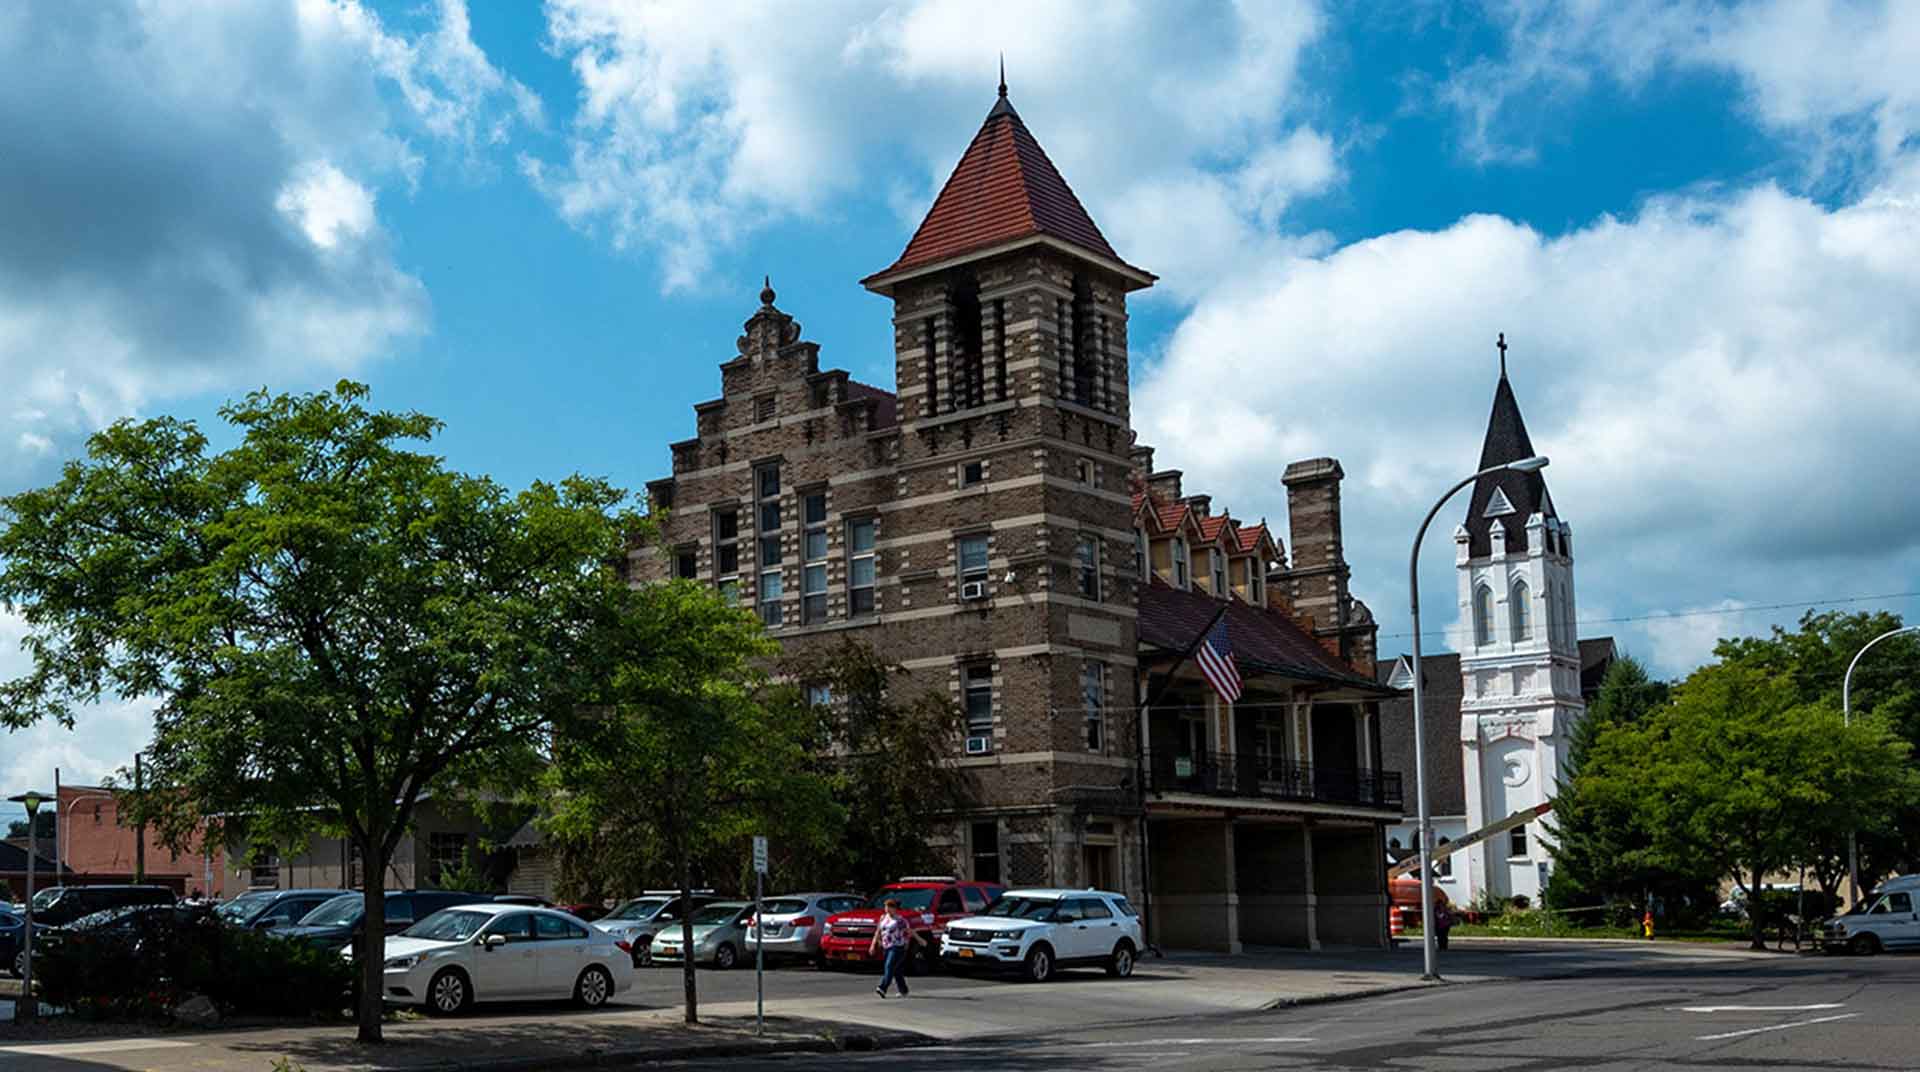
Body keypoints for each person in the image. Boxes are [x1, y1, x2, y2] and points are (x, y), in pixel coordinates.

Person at [867, 898, 926, 998]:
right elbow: (878, 932)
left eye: (890, 907)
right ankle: (903, 990)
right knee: (896, 970)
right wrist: (873, 945)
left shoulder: (900, 920)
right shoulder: (883, 918)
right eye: (886, 906)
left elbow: (909, 931)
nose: (887, 909)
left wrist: (920, 940)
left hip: (898, 947)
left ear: (895, 908)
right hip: (886, 946)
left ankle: (882, 988)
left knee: (889, 966)